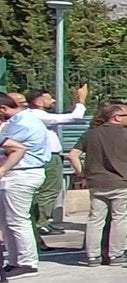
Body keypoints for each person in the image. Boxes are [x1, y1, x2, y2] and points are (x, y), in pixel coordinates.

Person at [67, 102, 127, 265]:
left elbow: (72, 155)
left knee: (95, 219)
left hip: (96, 183)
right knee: (119, 218)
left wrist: (83, 174)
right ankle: (115, 254)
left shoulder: (90, 134)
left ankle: (93, 255)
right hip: (121, 182)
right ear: (117, 117)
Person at [20, 86, 88, 240]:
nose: (54, 100)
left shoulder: (32, 115)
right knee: (50, 189)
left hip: (48, 155)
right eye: (49, 98)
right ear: (38, 101)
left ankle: (40, 220)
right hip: (48, 156)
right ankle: (40, 222)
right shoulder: (36, 115)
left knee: (49, 189)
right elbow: (73, 117)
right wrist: (81, 100)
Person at [0, 93, 55, 280]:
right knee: (9, 221)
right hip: (19, 173)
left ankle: (27, 262)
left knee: (17, 220)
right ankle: (16, 261)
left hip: (22, 173)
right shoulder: (22, 120)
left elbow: (6, 146)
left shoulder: (22, 124)